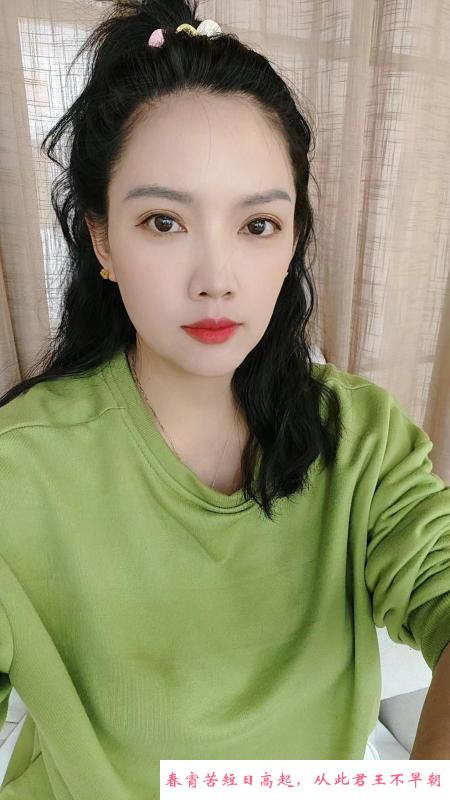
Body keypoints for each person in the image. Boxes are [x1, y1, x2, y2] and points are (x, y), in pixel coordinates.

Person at [0, 0, 449, 797]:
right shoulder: (18, 473)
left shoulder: (360, 435)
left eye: (258, 225)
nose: (217, 279)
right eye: (164, 221)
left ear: (294, 236)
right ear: (102, 238)